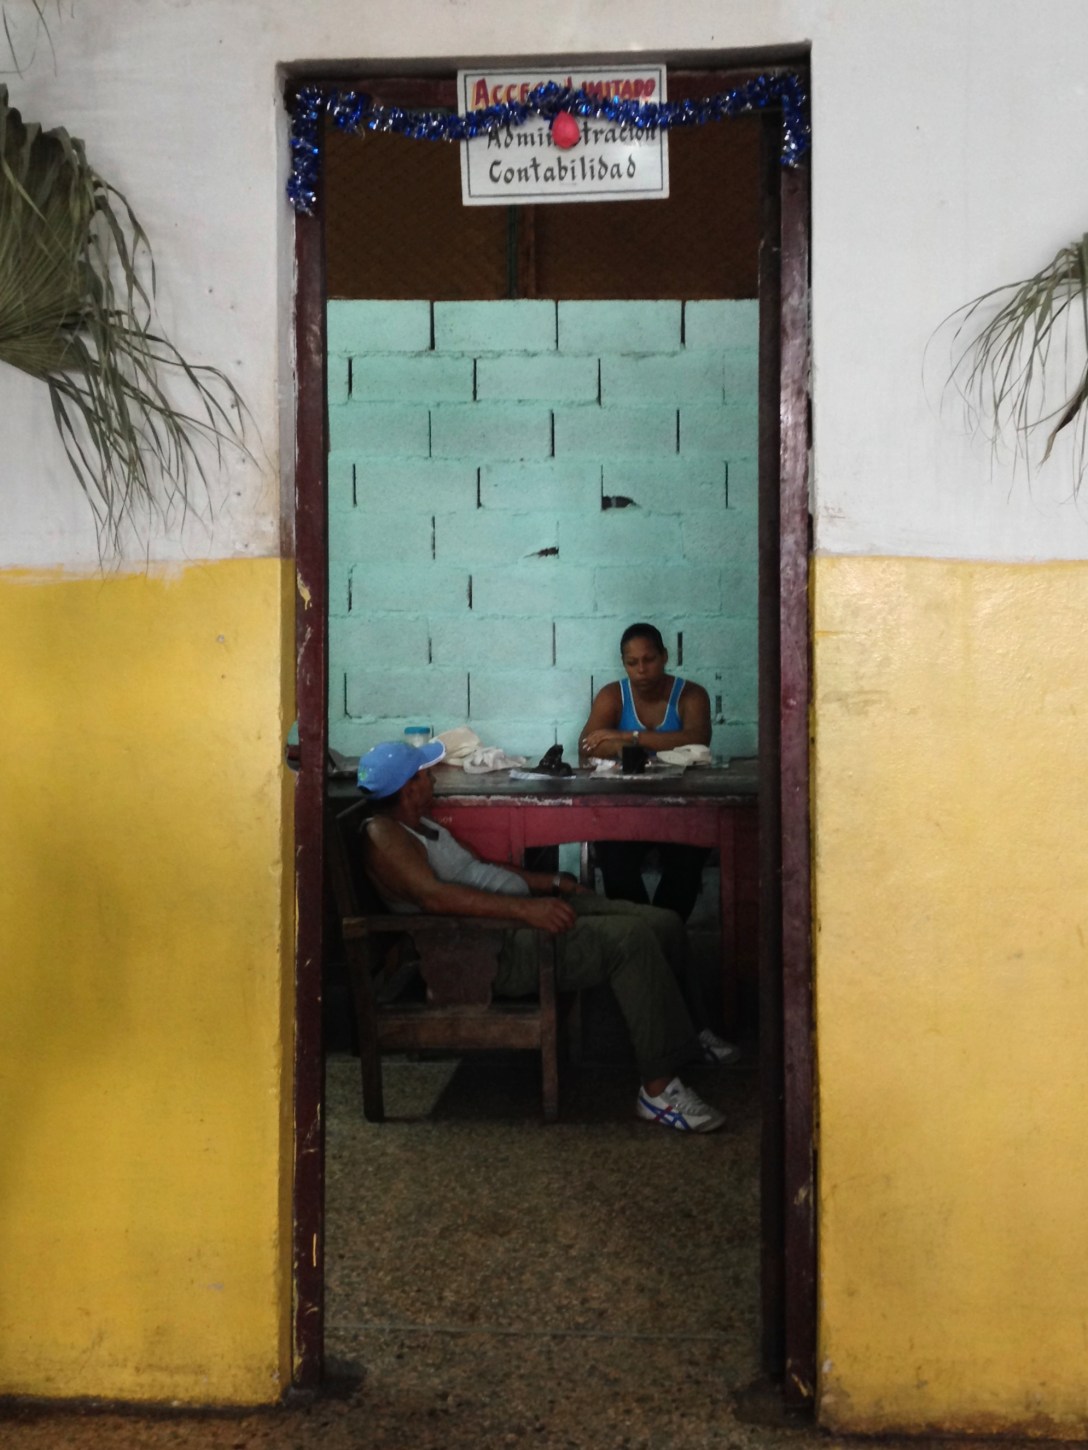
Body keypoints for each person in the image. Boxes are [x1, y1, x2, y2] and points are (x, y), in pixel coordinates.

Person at [355, 738, 728, 1133]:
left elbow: (482, 868)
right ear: (409, 788)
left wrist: (550, 883)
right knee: (629, 940)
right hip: (490, 949)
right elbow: (434, 898)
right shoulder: (384, 835)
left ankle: (689, 1036)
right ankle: (658, 1090)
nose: (433, 779)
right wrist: (527, 910)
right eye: (425, 774)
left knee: (664, 922)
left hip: (517, 918)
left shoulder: (421, 825)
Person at [579, 622, 736, 1065]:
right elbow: (588, 747)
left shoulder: (690, 694)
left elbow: (697, 739)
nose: (642, 669)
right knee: (614, 856)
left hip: (678, 811)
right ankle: (655, 944)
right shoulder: (613, 695)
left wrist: (627, 739)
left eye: (649, 659)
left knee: (689, 854)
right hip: (626, 813)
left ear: (665, 656)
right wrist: (655, 744)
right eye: (632, 662)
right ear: (623, 663)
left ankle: (653, 947)